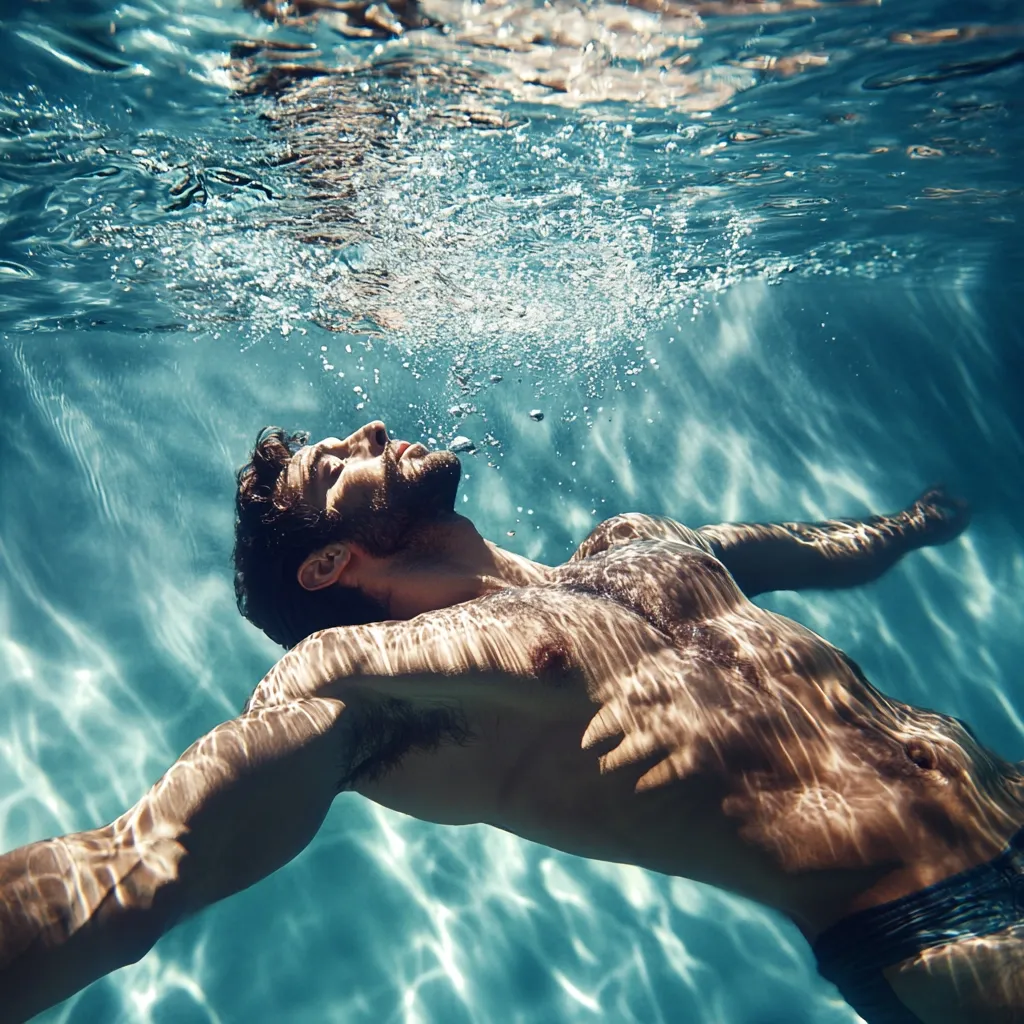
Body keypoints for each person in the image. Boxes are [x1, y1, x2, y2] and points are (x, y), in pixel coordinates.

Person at [1, 420, 1020, 1024]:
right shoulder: (368, 678)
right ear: (329, 565)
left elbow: (791, 553)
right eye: (333, 466)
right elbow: (148, 863)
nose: (368, 431)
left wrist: (909, 528)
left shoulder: (628, 543)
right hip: (943, 926)